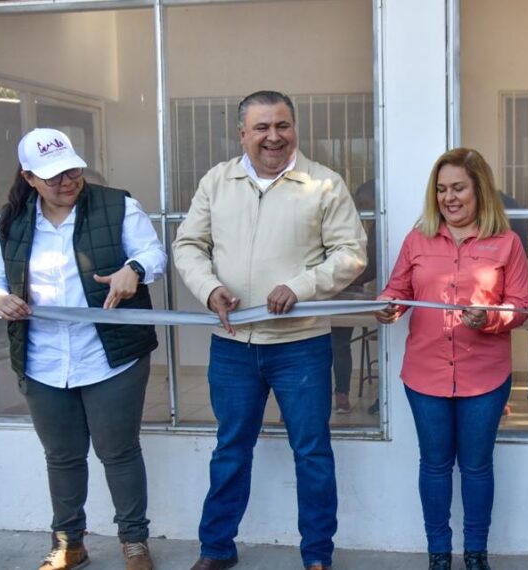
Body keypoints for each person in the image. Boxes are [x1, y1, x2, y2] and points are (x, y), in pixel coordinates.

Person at [173, 90, 367, 570]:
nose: (273, 136)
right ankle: (216, 549)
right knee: (231, 449)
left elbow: (351, 254)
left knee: (312, 453)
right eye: (261, 127)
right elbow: (188, 245)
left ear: (295, 129)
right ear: (242, 133)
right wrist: (209, 288)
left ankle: (317, 556)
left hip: (301, 344)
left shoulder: (324, 183)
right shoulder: (218, 181)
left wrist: (301, 286)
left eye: (282, 125)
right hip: (233, 344)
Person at [0, 128, 166, 570]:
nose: (67, 180)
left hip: (111, 355)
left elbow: (154, 254)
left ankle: (134, 543)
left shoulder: (117, 204)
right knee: (61, 456)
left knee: (118, 451)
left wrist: (133, 269)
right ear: (29, 177)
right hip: (43, 359)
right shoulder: (13, 221)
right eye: (53, 175)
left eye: (73, 169)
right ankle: (69, 543)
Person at [375, 148, 528, 570]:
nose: (449, 197)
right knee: (435, 464)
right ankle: (439, 555)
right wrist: (389, 305)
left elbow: (521, 306)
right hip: (425, 375)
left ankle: (476, 554)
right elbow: (398, 290)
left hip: (485, 376)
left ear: (479, 189)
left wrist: (492, 317)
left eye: (458, 187)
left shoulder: (507, 243)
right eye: (441, 189)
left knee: (478, 467)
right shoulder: (417, 239)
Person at [330, 178, 377, 414]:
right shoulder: (343, 223)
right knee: (313, 346)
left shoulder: (379, 225)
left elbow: (370, 266)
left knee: (339, 344)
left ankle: (341, 395)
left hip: (346, 292)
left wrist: (346, 278)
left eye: (364, 203)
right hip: (323, 291)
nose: (360, 209)